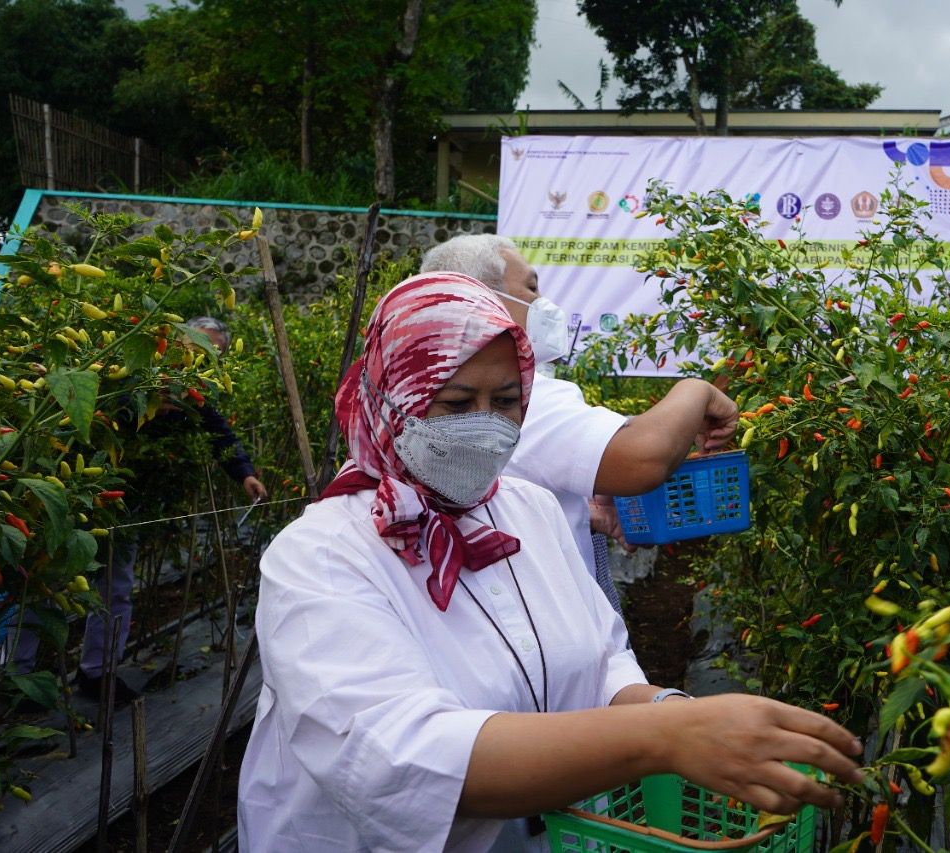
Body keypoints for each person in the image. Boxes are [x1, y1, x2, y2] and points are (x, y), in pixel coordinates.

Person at [237, 273, 864, 852]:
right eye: (456, 404)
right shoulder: (321, 556)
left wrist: (676, 714)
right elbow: (397, 758)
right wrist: (666, 741)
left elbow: (600, 669)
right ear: (389, 399)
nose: (487, 427)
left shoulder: (528, 511)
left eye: (507, 399)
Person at [420, 235, 738, 612]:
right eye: (531, 288)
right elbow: (644, 458)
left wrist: (580, 514)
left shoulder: (437, 391)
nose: (543, 304)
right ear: (482, 299)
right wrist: (697, 391)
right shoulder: (515, 398)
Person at [11, 316, 267, 705]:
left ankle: (97, 673)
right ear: (180, 342)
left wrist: (244, 473)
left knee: (115, 587)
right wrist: (139, 405)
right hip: (72, 491)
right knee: (43, 580)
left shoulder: (191, 393)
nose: (203, 359)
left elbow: (219, 433)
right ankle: (16, 676)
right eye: (200, 348)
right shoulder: (134, 369)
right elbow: (92, 413)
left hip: (125, 500)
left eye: (214, 355)